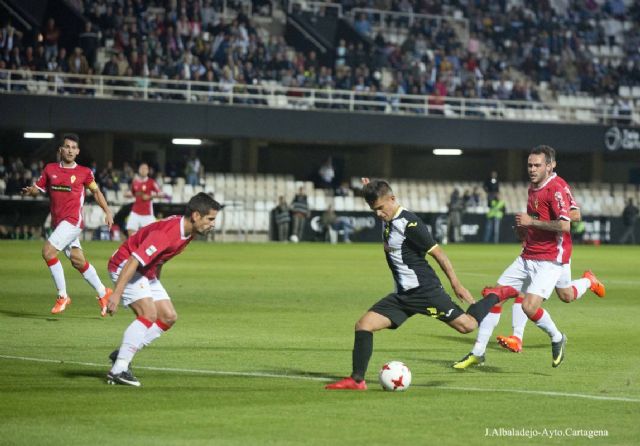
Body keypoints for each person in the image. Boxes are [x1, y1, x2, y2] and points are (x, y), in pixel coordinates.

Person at [325, 178, 519, 390]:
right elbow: (379, 194)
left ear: (392, 199)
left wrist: (456, 284)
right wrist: (369, 186)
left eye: (380, 208)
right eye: (374, 210)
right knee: (364, 325)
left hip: (425, 291)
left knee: (468, 326)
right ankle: (357, 380)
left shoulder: (411, 224)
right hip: (402, 296)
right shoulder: (388, 215)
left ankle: (495, 295)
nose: (378, 214)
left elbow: (439, 254)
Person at [455, 157, 605, 366]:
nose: (532, 169)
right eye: (529, 165)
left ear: (550, 165)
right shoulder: (533, 188)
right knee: (498, 296)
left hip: (553, 256)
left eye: (537, 165)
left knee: (539, 302)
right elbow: (539, 219)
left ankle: (555, 336)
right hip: (530, 254)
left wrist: (533, 222)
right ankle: (478, 352)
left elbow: (571, 219)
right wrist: (525, 231)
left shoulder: (557, 187)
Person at [105, 193, 222, 386]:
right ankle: (119, 369)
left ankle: (123, 352)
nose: (212, 224)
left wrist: (154, 281)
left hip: (145, 271)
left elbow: (162, 257)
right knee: (148, 314)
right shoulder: (167, 233)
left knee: (168, 316)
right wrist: (116, 294)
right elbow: (134, 259)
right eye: (210, 219)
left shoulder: (188, 232)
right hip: (125, 266)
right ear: (195, 216)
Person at [21, 133, 114, 315]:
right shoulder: (50, 169)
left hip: (73, 222)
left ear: (77, 151)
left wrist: (108, 211)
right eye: (67, 147)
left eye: (73, 147)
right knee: (78, 261)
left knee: (47, 252)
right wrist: (31, 191)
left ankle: (63, 296)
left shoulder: (85, 173)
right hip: (58, 223)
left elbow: (96, 193)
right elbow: (37, 189)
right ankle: (104, 293)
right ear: (61, 150)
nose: (70, 150)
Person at [125, 163, 161, 236]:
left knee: (153, 234)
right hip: (135, 212)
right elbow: (132, 193)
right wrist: (127, 194)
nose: (143, 170)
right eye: (142, 168)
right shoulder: (135, 182)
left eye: (145, 169)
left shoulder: (151, 182)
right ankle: (134, 247)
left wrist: (149, 196)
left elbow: (160, 193)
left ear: (148, 171)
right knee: (130, 230)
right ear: (139, 170)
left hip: (147, 213)